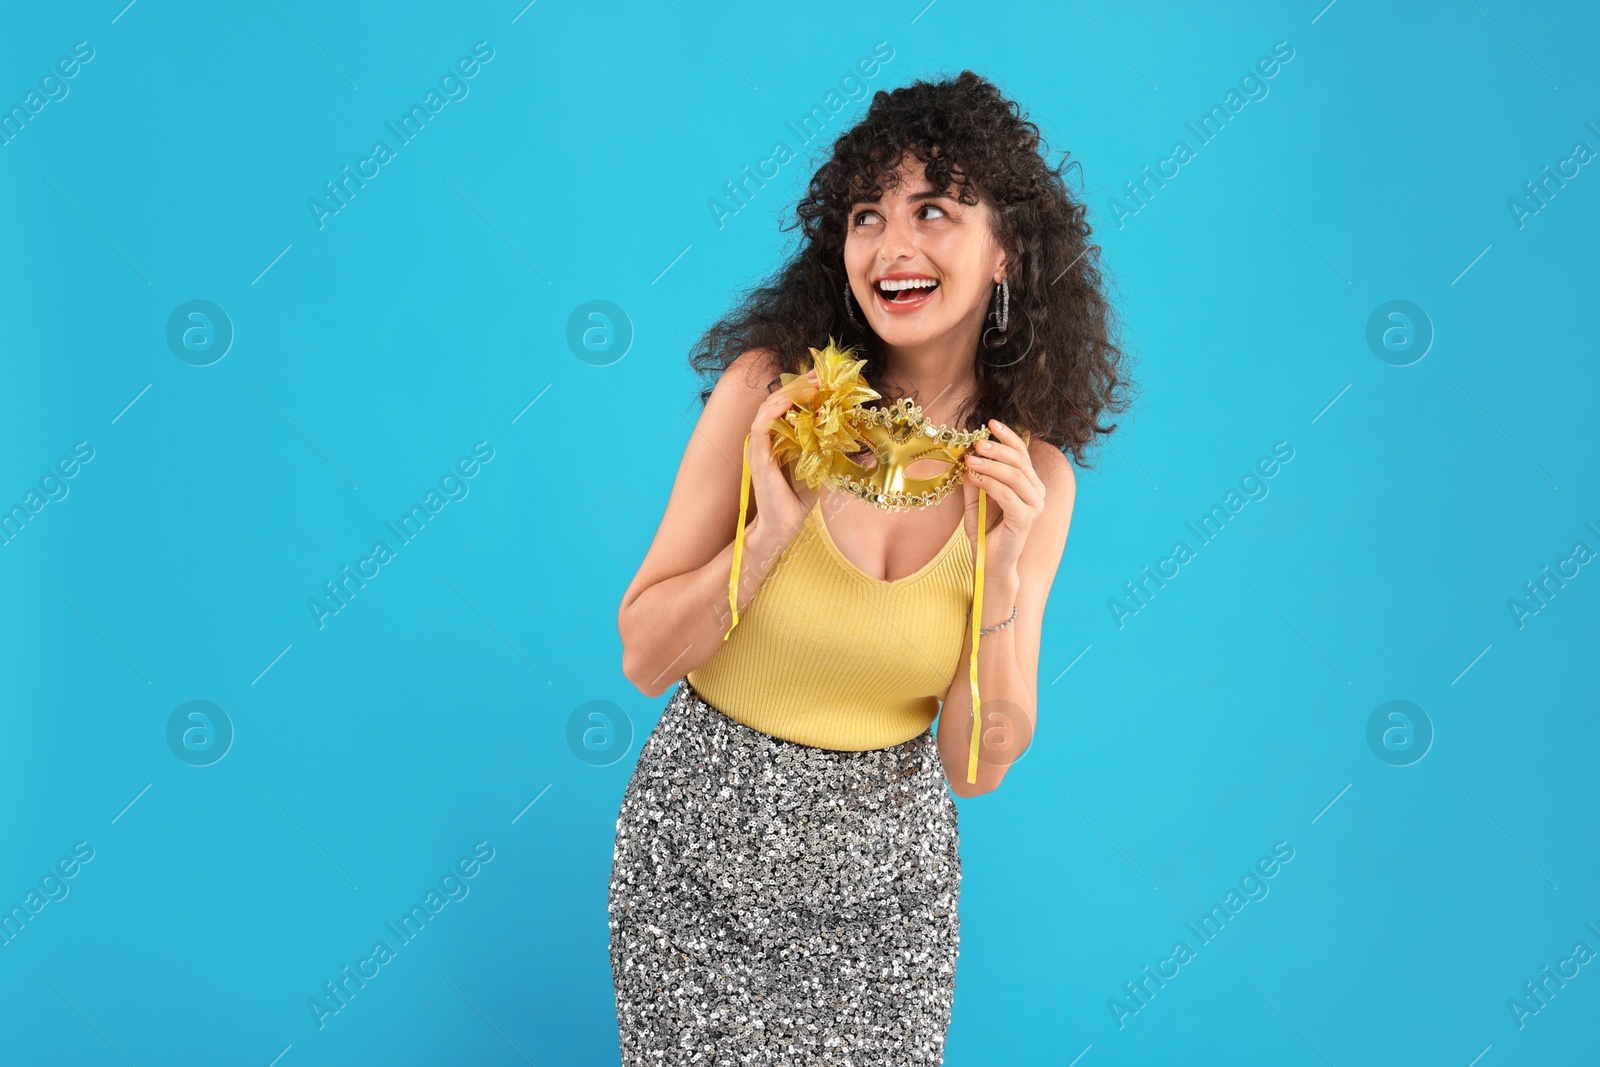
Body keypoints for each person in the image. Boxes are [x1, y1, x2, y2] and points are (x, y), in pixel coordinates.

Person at [611, 69, 1134, 1065]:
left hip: (885, 896)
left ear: (1005, 251)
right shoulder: (771, 395)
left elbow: (976, 766)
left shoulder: (1034, 480)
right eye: (866, 216)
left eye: (932, 209)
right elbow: (643, 654)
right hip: (697, 861)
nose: (892, 247)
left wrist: (1002, 572)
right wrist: (767, 532)